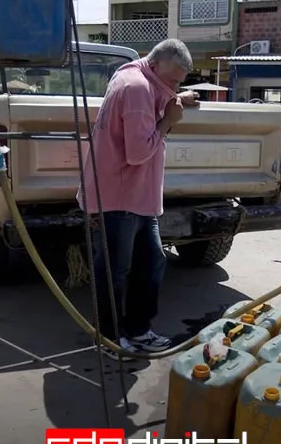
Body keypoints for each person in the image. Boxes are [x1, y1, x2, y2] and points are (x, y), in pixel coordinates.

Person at [79, 38, 200, 359]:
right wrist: (168, 121)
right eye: (173, 80)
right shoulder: (137, 90)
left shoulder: (135, 76)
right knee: (115, 271)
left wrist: (176, 97)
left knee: (150, 262)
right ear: (156, 65)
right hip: (120, 197)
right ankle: (108, 338)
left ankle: (138, 329)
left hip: (135, 197)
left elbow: (156, 96)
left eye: (179, 83)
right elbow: (138, 152)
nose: (174, 87)